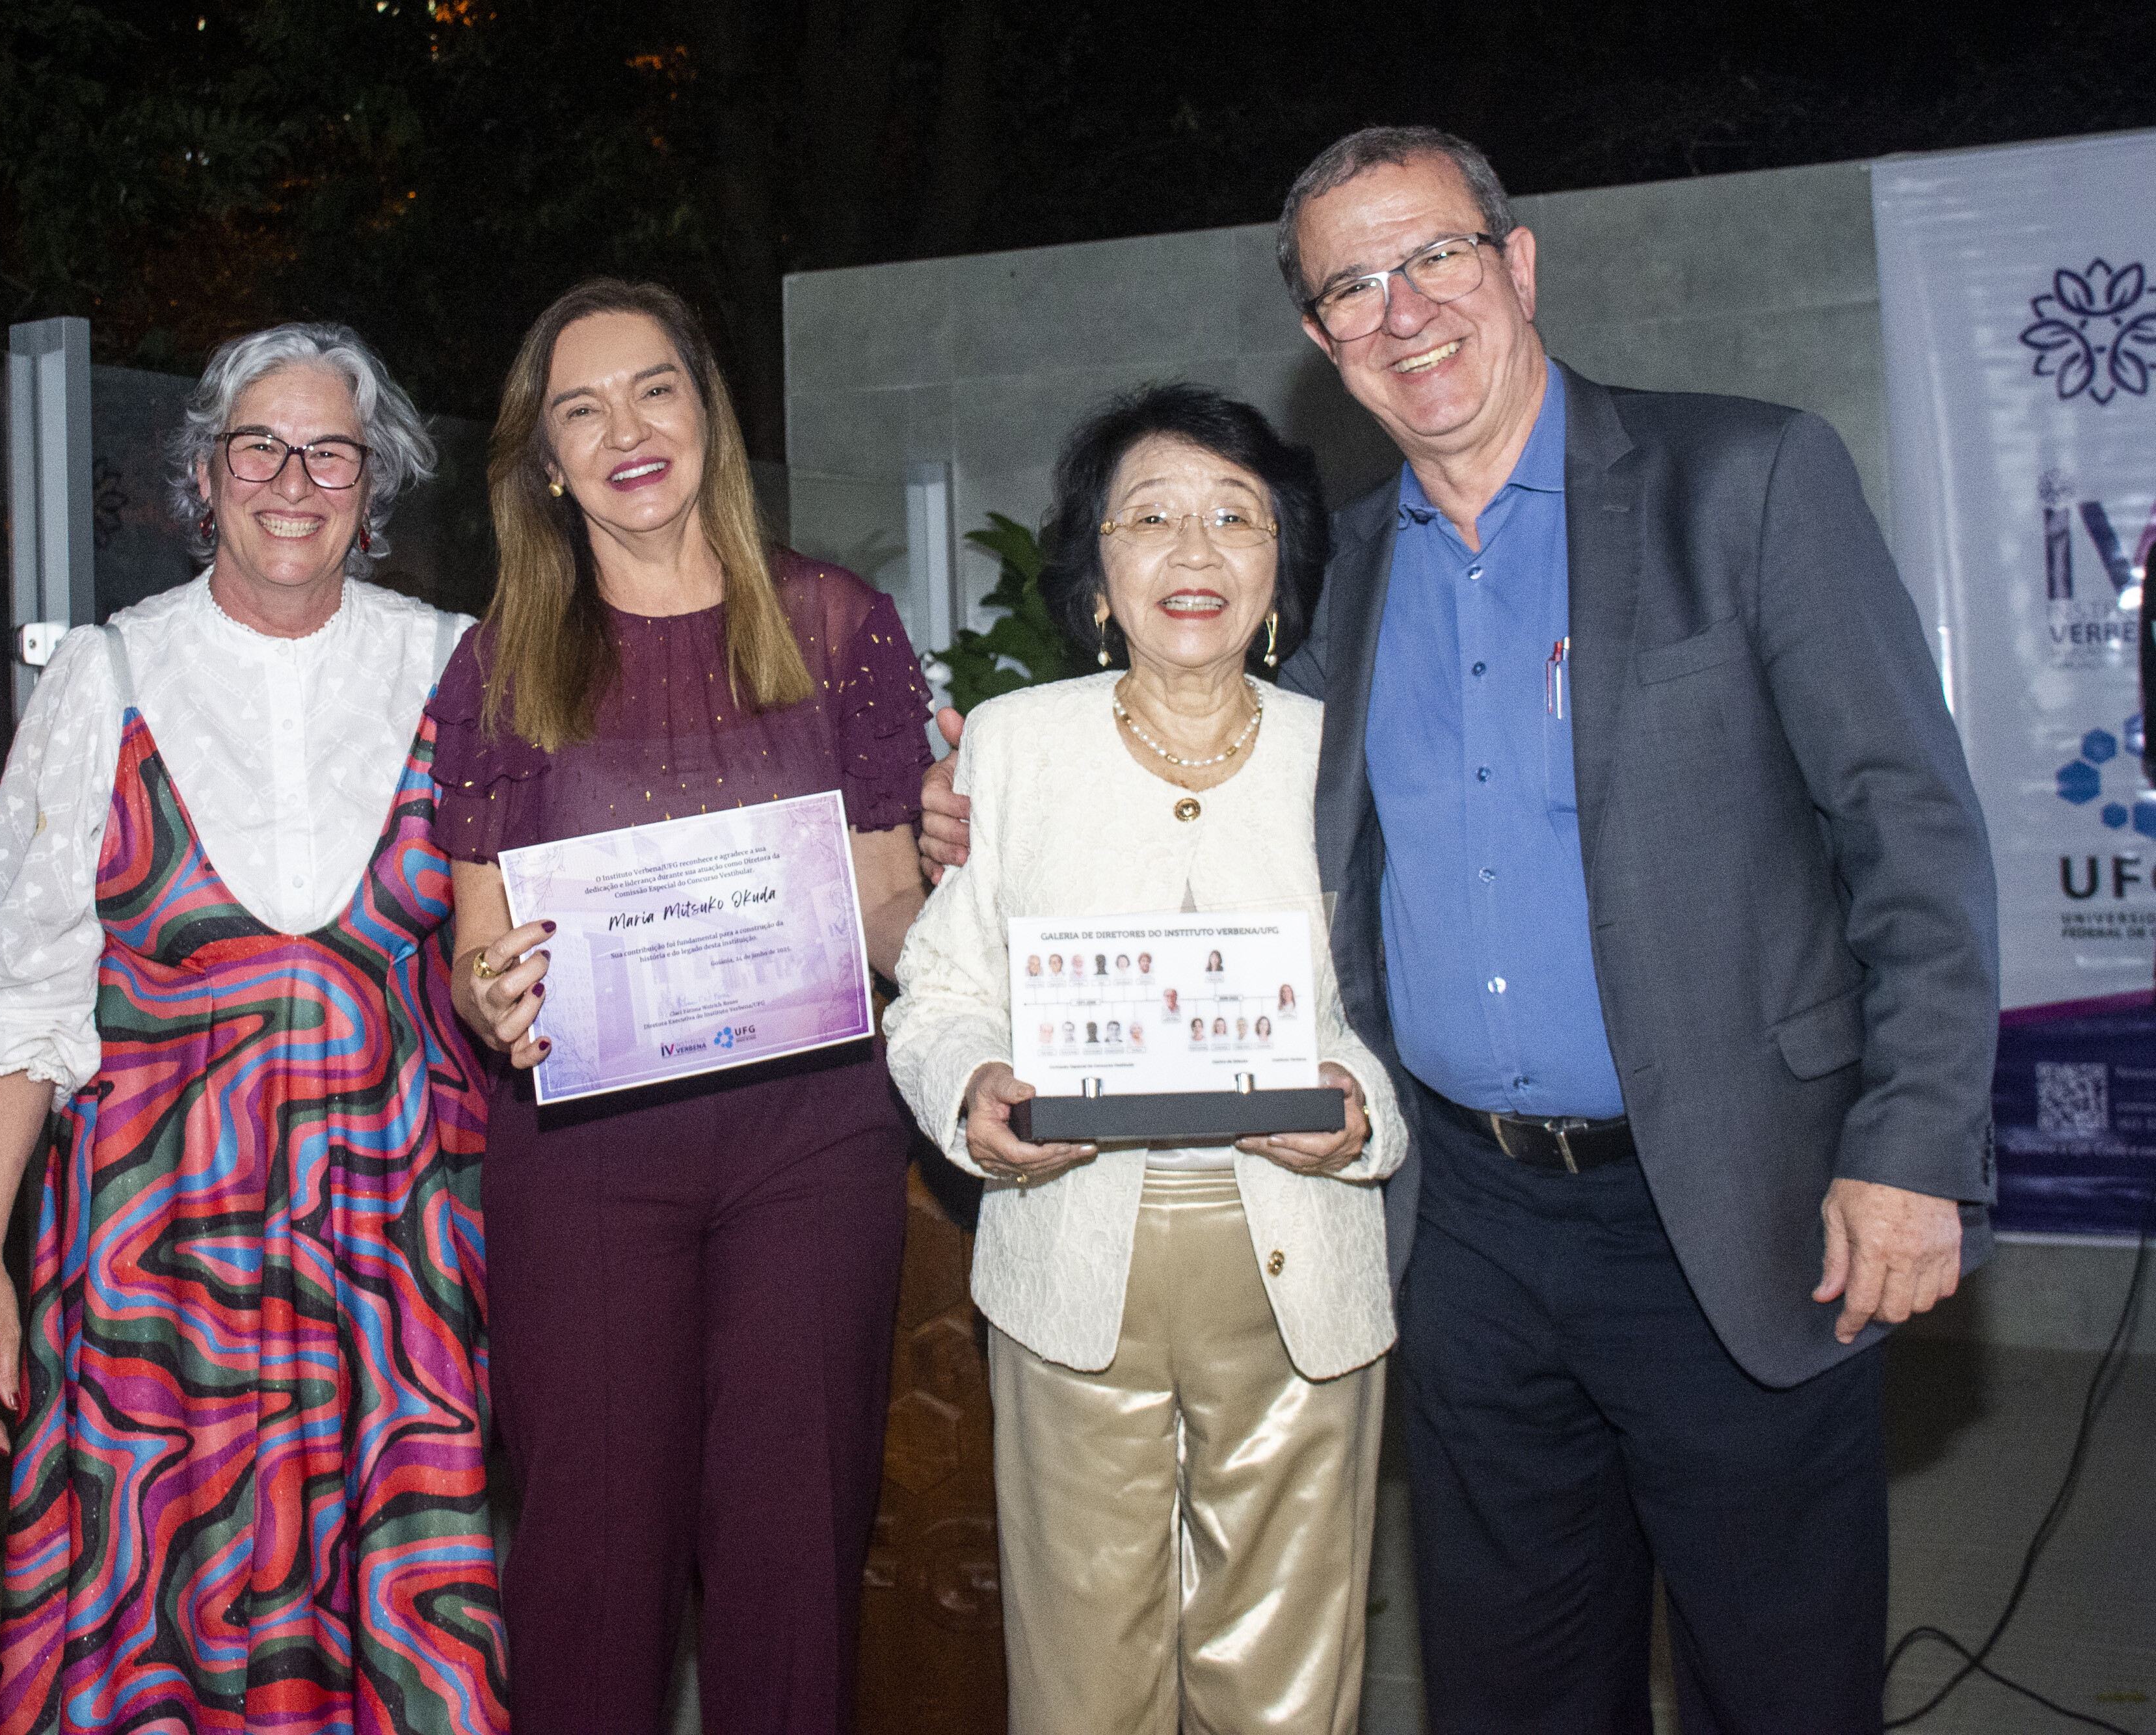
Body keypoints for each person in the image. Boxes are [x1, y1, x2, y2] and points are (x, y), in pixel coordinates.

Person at [922, 127, 1999, 1733]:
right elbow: (1220, 830)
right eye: (1347, 285)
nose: (1400, 309)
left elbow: (1908, 830)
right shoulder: (1343, 576)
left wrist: (1911, 1143)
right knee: (1511, 1688)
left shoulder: (1744, 479)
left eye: (1430, 255)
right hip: (1467, 1235)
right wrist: (976, 826)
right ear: (1316, 339)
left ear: (1517, 260)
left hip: (1731, 1204)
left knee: (1776, 1682)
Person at [0, 323, 505, 1732]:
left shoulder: (461, 669)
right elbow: (21, 990)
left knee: (400, 1619)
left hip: (392, 1261)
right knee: (158, 1634)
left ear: (375, 487)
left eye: (330, 450)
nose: (292, 477)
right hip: (149, 1272)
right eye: (260, 444)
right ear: (205, 475)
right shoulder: (104, 677)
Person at [423, 278, 932, 1735]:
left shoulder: (835, 622)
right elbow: (478, 947)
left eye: (653, 389)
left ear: (706, 409)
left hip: (811, 1144)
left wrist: (972, 944)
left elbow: (885, 898)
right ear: (542, 462)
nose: (624, 430)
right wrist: (494, 991)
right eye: (578, 410)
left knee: (794, 1548)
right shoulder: (503, 662)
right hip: (583, 1155)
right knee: (591, 1559)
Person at [887, 384, 1406, 1735]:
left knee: (1284, 1667)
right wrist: (970, 1086)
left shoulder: (1342, 753)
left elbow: (1398, 1001)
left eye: (1233, 517)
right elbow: (940, 986)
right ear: (1098, 573)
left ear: (1279, 566)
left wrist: (1365, 1110)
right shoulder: (1014, 746)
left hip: (1293, 1246)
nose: (1194, 552)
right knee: (1080, 1659)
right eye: (1152, 518)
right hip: (1073, 1256)